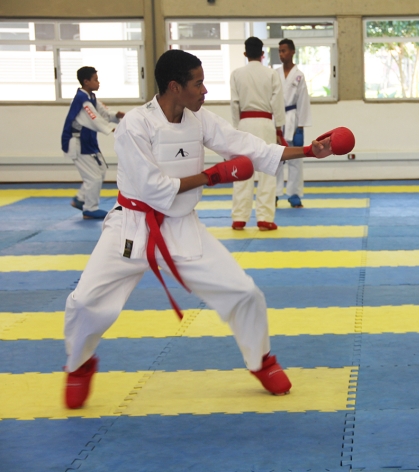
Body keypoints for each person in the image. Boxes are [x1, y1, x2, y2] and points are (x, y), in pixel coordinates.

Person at [63, 49, 354, 409]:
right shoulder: (135, 125)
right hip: (131, 226)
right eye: (198, 83)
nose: (205, 91)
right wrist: (214, 175)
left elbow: (249, 147)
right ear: (175, 86)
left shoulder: (199, 120)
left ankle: (261, 360)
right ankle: (78, 366)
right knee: (84, 302)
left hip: (182, 226)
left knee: (244, 291)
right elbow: (155, 188)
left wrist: (310, 150)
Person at [230, 37, 286, 231]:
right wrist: (279, 128)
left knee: (242, 170)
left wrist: (236, 128)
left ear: (245, 53)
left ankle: (239, 218)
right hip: (265, 124)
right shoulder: (271, 74)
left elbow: (235, 103)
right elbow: (278, 102)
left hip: (244, 124)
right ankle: (264, 218)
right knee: (267, 171)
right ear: (262, 54)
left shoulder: (236, 74)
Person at [61, 66, 124, 219]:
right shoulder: (82, 100)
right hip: (77, 144)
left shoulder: (91, 97)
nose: (98, 82)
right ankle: (90, 208)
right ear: (86, 81)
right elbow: (94, 119)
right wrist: (111, 129)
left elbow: (102, 113)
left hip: (88, 142)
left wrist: (116, 115)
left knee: (100, 169)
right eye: (95, 79)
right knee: (93, 177)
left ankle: (81, 199)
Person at [274, 38, 312, 208]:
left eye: (284, 51)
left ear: (292, 52)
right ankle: (273, 193)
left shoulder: (299, 76)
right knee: (275, 159)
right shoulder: (274, 74)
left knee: (295, 160)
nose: (282, 54)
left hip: (293, 119)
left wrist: (301, 127)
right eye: (280, 51)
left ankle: (294, 195)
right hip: (276, 120)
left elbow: (303, 101)